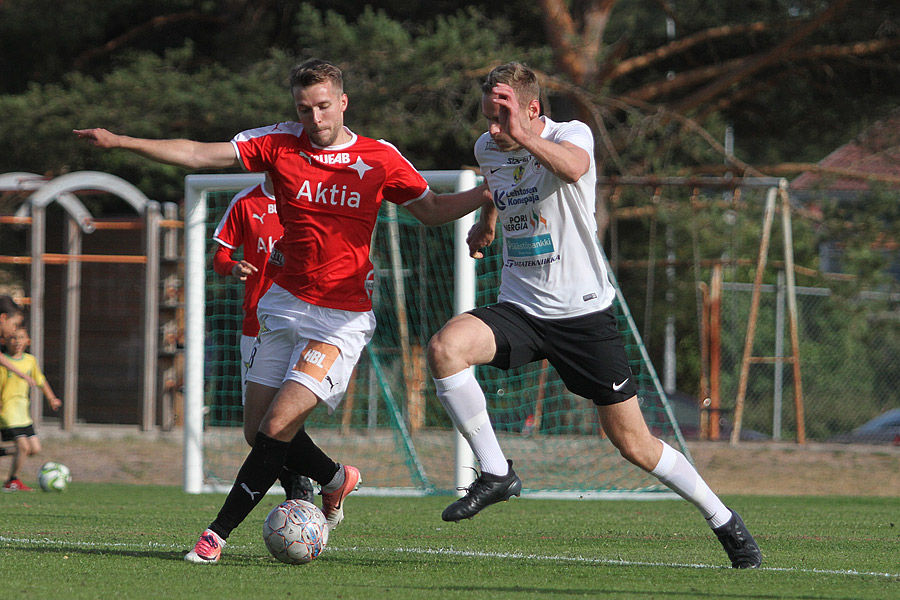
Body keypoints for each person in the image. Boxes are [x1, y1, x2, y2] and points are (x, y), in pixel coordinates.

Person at [75, 58, 491, 564]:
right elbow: (200, 155)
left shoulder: (379, 157)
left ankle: (216, 535)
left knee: (275, 429)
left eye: (322, 106)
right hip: (283, 306)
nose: (314, 118)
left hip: (340, 319)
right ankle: (337, 478)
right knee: (257, 431)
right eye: (303, 108)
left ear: (342, 102)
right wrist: (123, 142)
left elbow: (430, 210)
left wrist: (485, 193)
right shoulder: (278, 142)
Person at [426, 62, 762, 569]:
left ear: (532, 110)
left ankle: (724, 520)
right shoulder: (487, 148)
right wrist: (487, 222)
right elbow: (500, 183)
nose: (494, 130)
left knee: (634, 444)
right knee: (444, 349)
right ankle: (496, 473)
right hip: (521, 306)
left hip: (583, 316)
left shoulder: (570, 134)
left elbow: (574, 168)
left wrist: (520, 135)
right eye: (489, 119)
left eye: (504, 117)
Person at [212, 174, 315, 503]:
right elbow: (219, 257)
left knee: (283, 415)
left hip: (303, 321)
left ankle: (303, 486)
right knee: (257, 429)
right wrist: (232, 267)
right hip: (256, 325)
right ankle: (310, 478)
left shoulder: (311, 198)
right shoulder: (245, 202)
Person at [1, 326, 62, 491]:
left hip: (23, 413)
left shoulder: (30, 361)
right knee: (24, 447)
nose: (17, 342)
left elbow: (41, 381)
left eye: (20, 337)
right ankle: (12, 481)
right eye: (13, 338)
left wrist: (51, 398)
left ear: (27, 340)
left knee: (34, 449)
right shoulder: (3, 361)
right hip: (7, 411)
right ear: (5, 341)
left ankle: (2, 453)